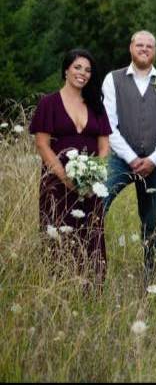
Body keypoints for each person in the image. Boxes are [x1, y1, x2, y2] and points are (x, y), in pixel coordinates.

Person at [102, 30, 156, 283]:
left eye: (149, 46)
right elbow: (108, 124)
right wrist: (132, 158)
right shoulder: (112, 79)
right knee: (96, 206)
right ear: (131, 48)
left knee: (152, 221)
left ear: (155, 51)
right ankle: (91, 263)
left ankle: (152, 276)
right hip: (119, 159)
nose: (144, 49)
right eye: (140, 45)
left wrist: (154, 159)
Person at [29, 48, 112, 288]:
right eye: (78, 68)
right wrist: (67, 179)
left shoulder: (96, 104)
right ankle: (59, 288)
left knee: (90, 235)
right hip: (56, 183)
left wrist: (91, 175)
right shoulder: (49, 103)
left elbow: (104, 146)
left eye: (88, 70)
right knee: (58, 236)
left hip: (89, 185)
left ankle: (91, 290)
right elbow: (42, 145)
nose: (83, 74)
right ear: (66, 70)